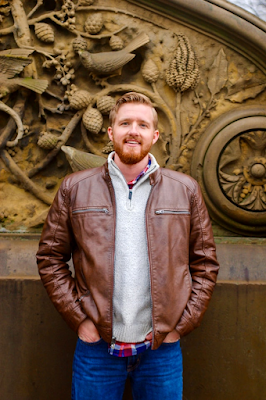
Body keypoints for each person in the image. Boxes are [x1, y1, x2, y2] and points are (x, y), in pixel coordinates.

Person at [36, 92, 219, 400]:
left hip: (161, 352)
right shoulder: (75, 189)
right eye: (125, 123)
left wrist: (180, 324)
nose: (133, 130)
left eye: (142, 124)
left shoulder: (185, 191)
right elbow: (50, 258)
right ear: (111, 132)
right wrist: (79, 319)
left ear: (155, 135)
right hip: (97, 351)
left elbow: (205, 263)